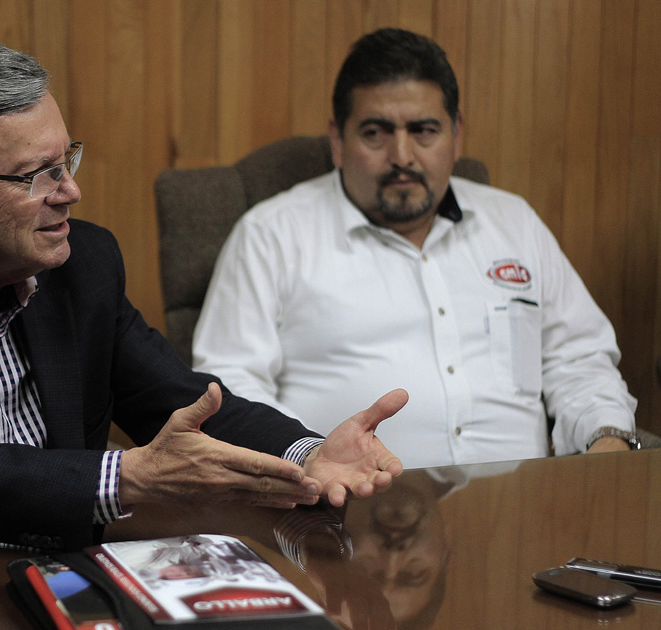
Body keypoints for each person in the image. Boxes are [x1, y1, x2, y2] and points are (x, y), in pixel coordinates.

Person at [0, 42, 404, 551]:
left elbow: (184, 401)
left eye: (66, 159)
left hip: (64, 571)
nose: (69, 191)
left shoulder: (81, 264)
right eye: (36, 175)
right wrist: (119, 477)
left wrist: (306, 454)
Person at [192, 28, 638, 469]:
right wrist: (306, 467)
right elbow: (231, 391)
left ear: (457, 134)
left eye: (424, 130)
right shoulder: (271, 236)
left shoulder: (514, 222)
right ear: (337, 140)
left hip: (521, 515)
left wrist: (607, 439)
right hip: (343, 516)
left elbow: (579, 360)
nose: (402, 155)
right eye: (375, 132)